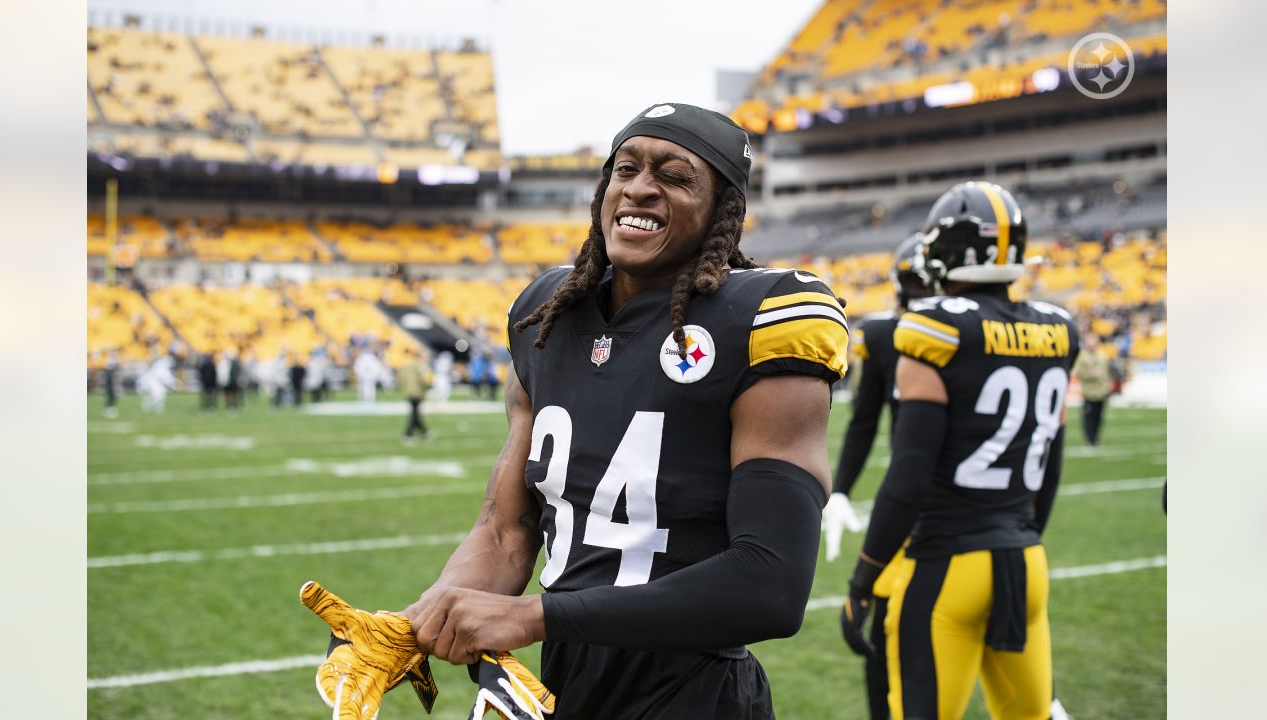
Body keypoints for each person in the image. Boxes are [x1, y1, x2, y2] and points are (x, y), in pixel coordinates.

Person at [303, 103, 849, 719]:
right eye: (626, 168)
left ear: (723, 208)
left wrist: (534, 615)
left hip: (694, 689)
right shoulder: (547, 314)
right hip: (569, 682)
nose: (640, 187)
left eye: (674, 175)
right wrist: (416, 621)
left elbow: (770, 585)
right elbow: (506, 532)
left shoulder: (766, 316)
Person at [841, 181, 1079, 720]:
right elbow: (1051, 466)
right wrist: (1020, 532)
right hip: (1025, 561)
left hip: (947, 563)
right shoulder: (1058, 329)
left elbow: (909, 475)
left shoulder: (935, 327)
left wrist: (865, 576)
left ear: (946, 250)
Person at [822, 233, 932, 720]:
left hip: (924, 508)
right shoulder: (887, 335)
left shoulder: (894, 332)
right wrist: (841, 487)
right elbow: (865, 419)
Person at [1071, 332, 1112, 446]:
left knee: (1099, 417)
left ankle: (1096, 439)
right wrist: (1090, 374)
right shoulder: (1082, 356)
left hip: (1101, 392)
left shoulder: (1102, 355)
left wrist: (1108, 385)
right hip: (1089, 392)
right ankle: (1090, 439)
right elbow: (1077, 372)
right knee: (1089, 417)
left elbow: (1106, 373)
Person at [398, 347, 432, 445]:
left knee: (415, 412)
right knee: (415, 414)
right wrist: (427, 387)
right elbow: (422, 380)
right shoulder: (420, 366)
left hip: (409, 391)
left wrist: (405, 387)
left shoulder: (408, 365)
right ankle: (409, 434)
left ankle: (424, 432)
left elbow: (402, 377)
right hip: (417, 391)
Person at [102, 350, 120, 418]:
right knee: (110, 395)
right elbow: (108, 371)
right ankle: (108, 408)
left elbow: (117, 372)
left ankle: (112, 407)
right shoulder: (109, 361)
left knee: (114, 396)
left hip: (114, 382)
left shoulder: (115, 361)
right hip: (110, 382)